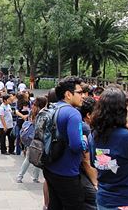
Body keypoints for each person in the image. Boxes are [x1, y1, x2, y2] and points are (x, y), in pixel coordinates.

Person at [90, 87, 128, 210]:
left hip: (103, 199)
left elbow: (93, 163)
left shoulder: (94, 135)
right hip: (126, 200)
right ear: (123, 109)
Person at [43, 76, 85, 209]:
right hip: (67, 172)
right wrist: (85, 141)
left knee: (54, 205)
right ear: (68, 94)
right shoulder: (73, 114)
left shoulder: (52, 108)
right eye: (79, 92)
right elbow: (76, 146)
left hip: (50, 167)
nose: (82, 96)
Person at [16, 96, 47, 183]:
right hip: (38, 138)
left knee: (34, 157)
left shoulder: (32, 111)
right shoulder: (42, 113)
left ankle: (32, 177)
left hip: (31, 137)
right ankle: (22, 176)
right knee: (34, 157)